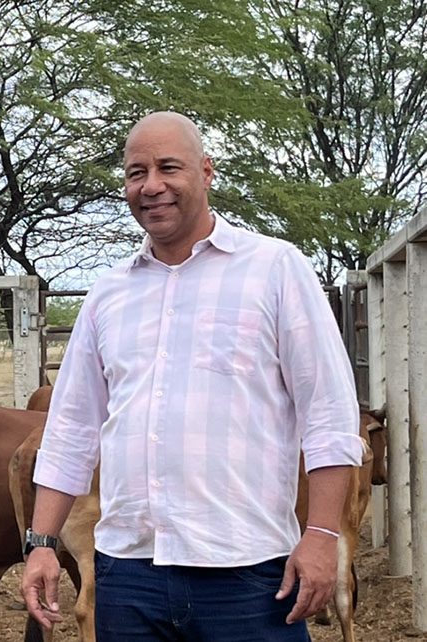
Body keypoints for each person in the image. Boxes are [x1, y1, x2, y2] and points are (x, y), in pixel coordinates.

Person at [20, 111, 363, 641]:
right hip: (128, 573)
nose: (151, 186)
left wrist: (320, 534)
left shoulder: (275, 269)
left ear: (206, 172)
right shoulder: (108, 294)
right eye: (136, 173)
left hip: (248, 572)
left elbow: (329, 414)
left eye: (168, 167)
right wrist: (41, 543)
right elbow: (71, 429)